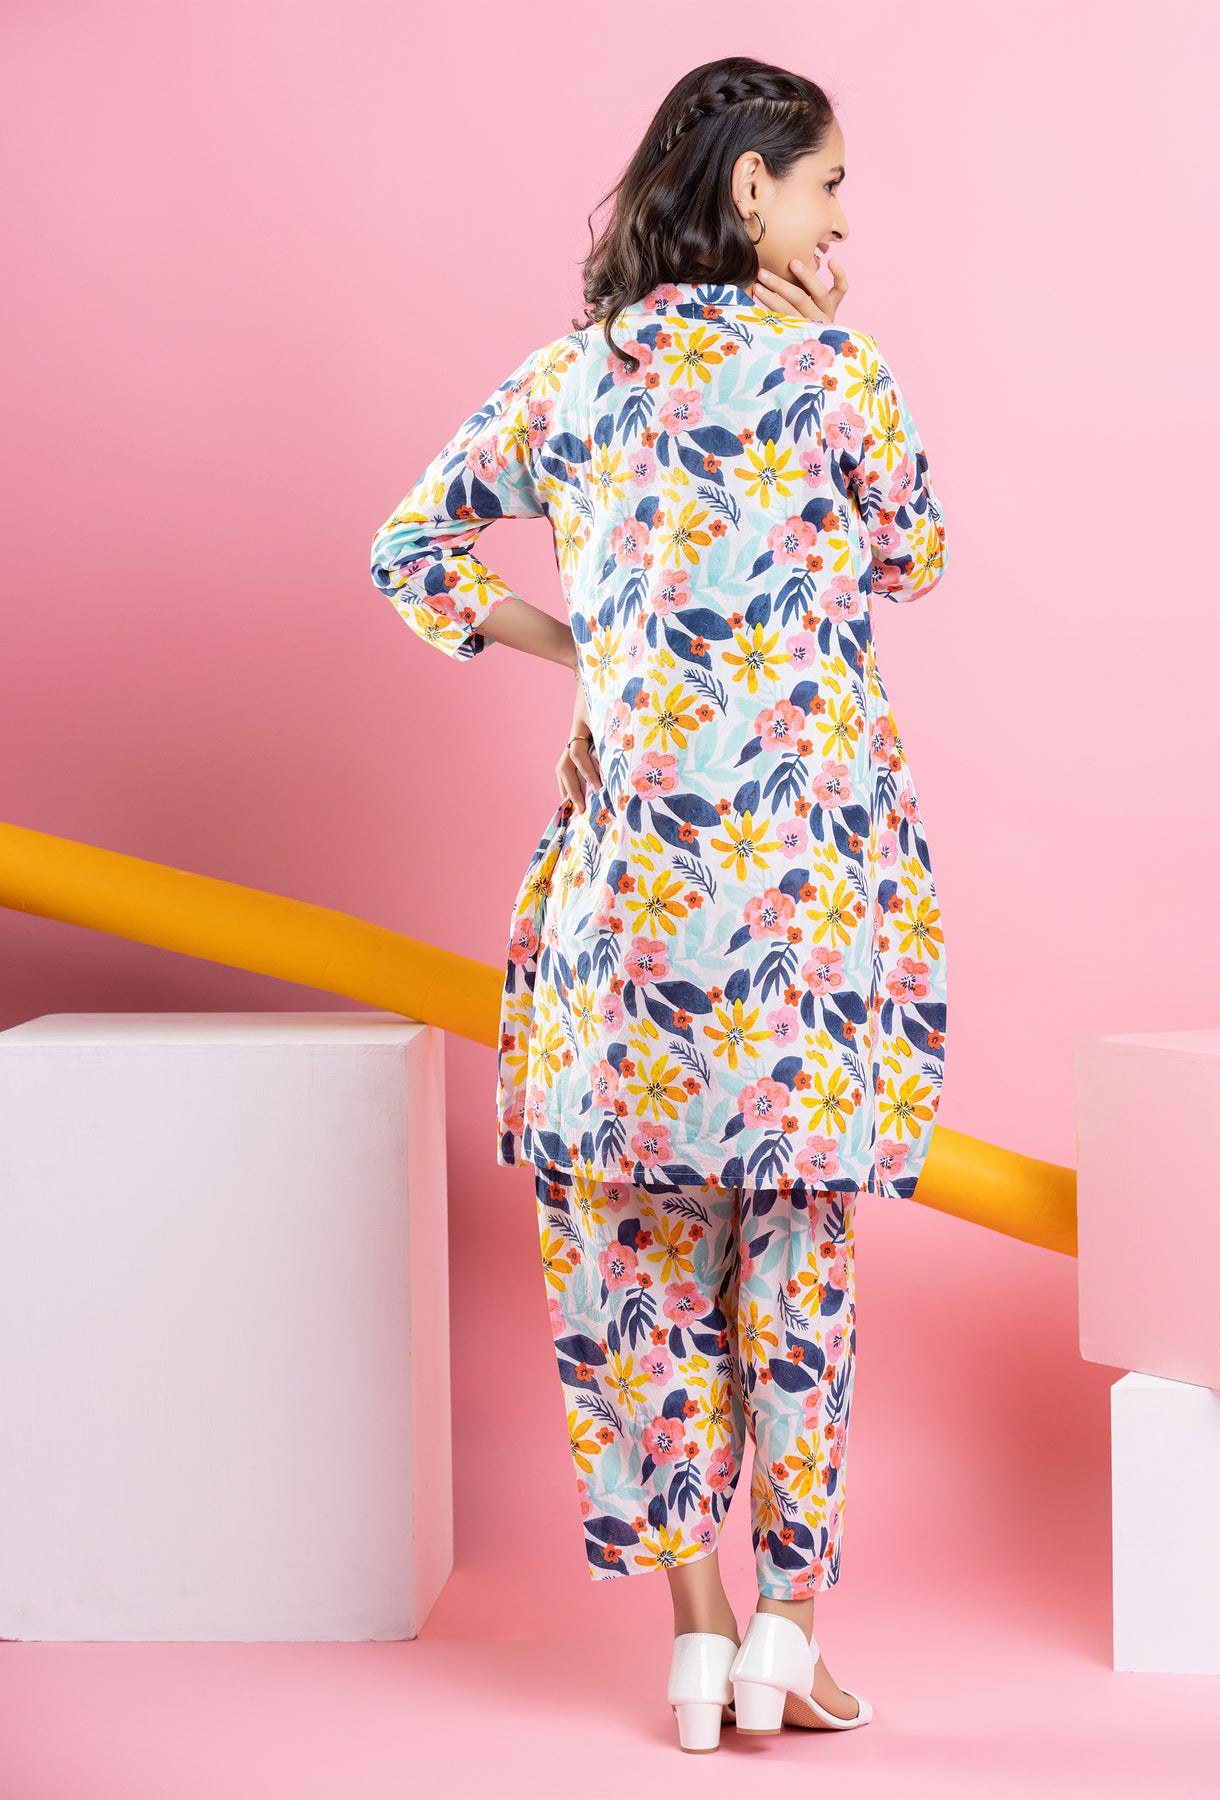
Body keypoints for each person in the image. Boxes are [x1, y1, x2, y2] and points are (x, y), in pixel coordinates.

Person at [369, 54, 949, 1751]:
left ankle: (696, 1648)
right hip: (806, 916)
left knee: (635, 1268)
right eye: (828, 187)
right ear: (755, 187)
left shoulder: (570, 378)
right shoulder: (836, 372)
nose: (842, 224)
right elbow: (910, 556)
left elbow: (413, 553)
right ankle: (787, 1633)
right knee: (797, 1266)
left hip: (630, 912)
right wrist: (824, 338)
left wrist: (595, 658)